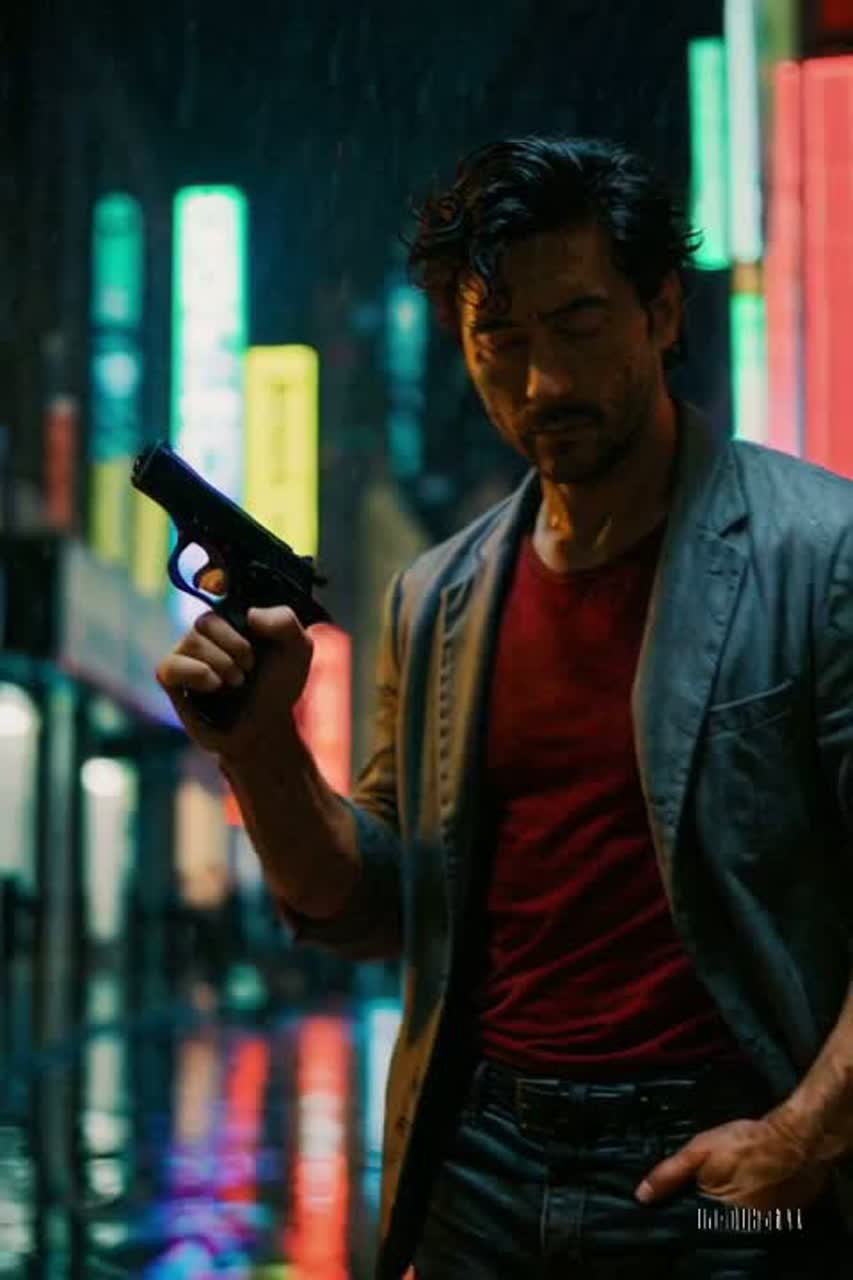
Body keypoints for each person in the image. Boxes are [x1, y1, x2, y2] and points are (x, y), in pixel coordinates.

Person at [156, 136, 853, 1278]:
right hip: (476, 1172)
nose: (543, 384)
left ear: (662, 311)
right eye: (503, 342)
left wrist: (803, 1137)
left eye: (578, 325)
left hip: (725, 1180)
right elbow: (374, 907)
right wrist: (258, 749)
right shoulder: (438, 597)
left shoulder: (819, 550)